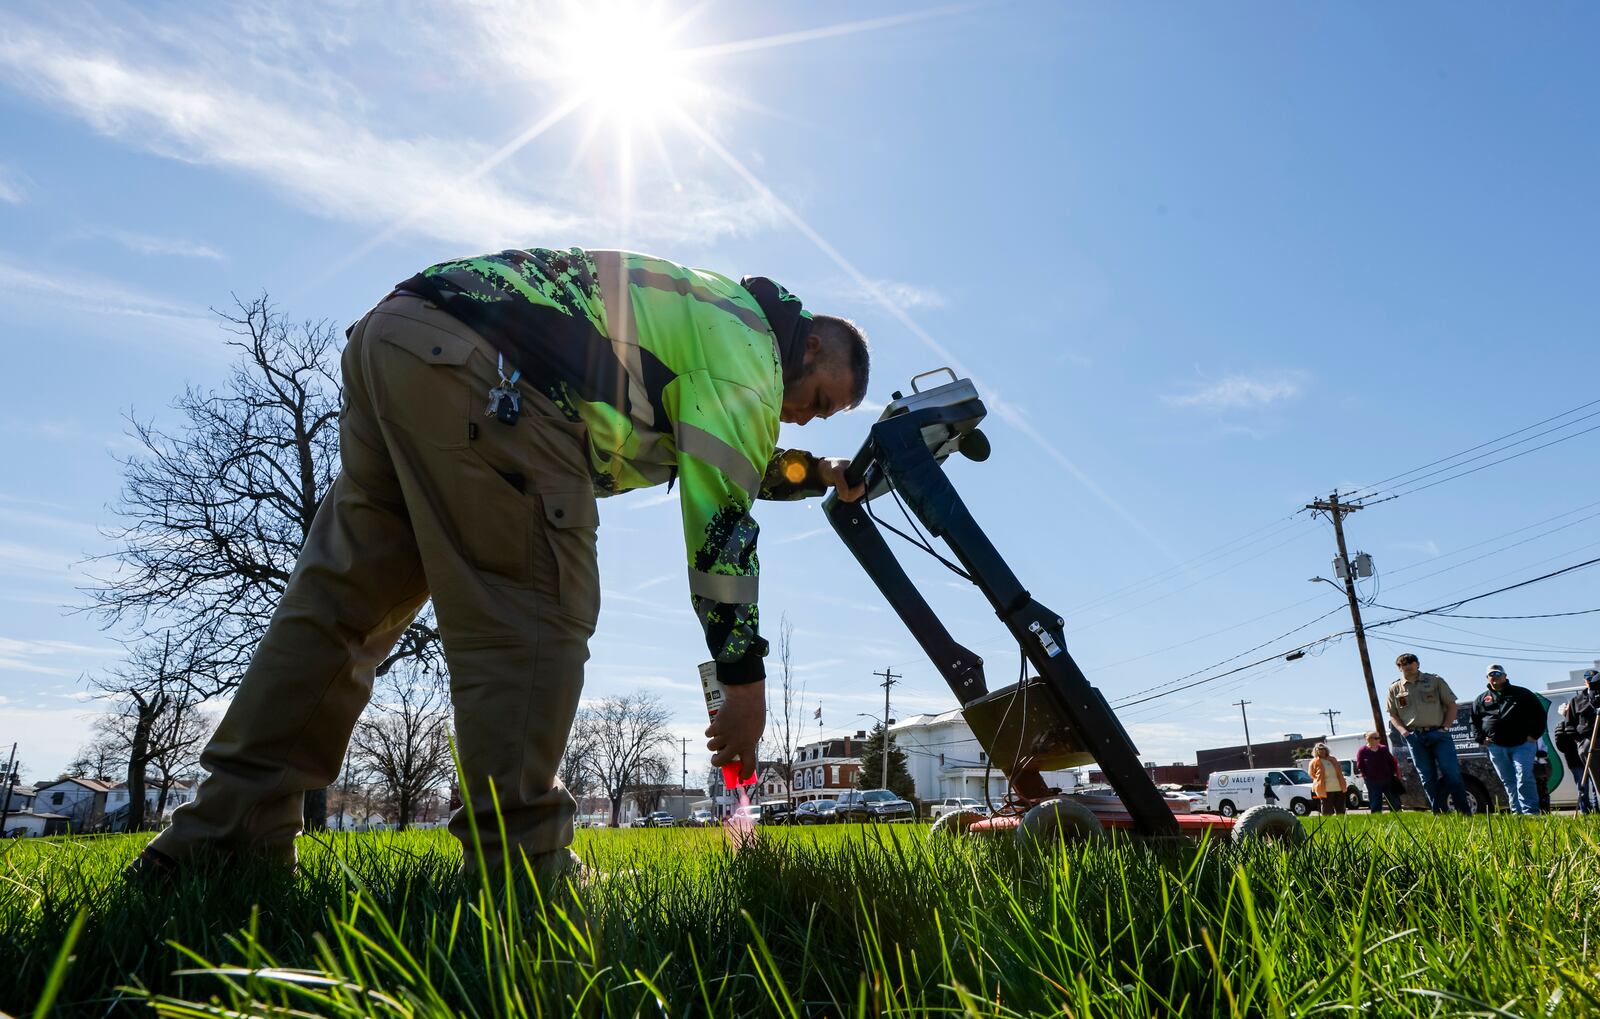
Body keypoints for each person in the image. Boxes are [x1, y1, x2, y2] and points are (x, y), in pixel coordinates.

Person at [126, 248, 870, 881]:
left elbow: (737, 458)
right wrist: (743, 683)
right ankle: (522, 872)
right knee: (538, 607)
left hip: (402, 340)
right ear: (806, 349)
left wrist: (823, 472)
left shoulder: (717, 315)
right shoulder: (752, 358)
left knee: (342, 611)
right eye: (820, 399)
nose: (802, 415)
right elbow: (721, 520)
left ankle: (224, 838)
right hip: (497, 380)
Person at [1386, 652, 1473, 814]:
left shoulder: (1434, 681)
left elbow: (1452, 705)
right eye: (1403, 664)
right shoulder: (1395, 689)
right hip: (1415, 736)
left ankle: (1464, 812)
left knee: (1452, 773)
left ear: (1417, 664)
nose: (1408, 666)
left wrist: (1445, 728)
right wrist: (1405, 733)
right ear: (1399, 668)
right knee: (1427, 777)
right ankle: (1439, 813)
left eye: (1411, 662)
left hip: (1439, 735)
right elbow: (1393, 715)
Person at [1469, 663, 1545, 814]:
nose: (1495, 677)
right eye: (1491, 674)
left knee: (1524, 776)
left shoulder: (1522, 694)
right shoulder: (1481, 699)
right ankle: (1517, 813)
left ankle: (1531, 813)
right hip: (1496, 747)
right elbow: (1474, 721)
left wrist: (1534, 735)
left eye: (1498, 674)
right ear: (1487, 678)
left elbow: (1539, 714)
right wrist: (1480, 739)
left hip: (1522, 744)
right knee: (1509, 781)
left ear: (1505, 676)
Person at [1555, 669, 1600, 814]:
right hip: (1586, 742)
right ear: (1584, 681)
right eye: (1588, 679)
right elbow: (1569, 726)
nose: (1590, 681)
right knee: (1584, 782)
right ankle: (1586, 811)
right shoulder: (1577, 700)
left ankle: (1596, 809)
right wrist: (1580, 742)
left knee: (1597, 780)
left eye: (1594, 679)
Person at [1354, 731, 1404, 813]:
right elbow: (1360, 765)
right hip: (1372, 781)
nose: (1378, 740)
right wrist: (1365, 775)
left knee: (1393, 800)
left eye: (1379, 738)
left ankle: (1398, 814)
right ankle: (1376, 816)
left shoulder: (1383, 749)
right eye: (1376, 738)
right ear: (1369, 739)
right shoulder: (1362, 751)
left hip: (1388, 779)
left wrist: (1396, 774)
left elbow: (1393, 762)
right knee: (1375, 800)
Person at [1308, 743, 1349, 815]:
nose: (1321, 750)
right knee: (1327, 811)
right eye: (1319, 749)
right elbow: (1312, 774)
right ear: (1316, 751)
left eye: (1323, 748)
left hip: (1338, 787)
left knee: (1341, 810)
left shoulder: (1333, 759)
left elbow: (1339, 771)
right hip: (1325, 789)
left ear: (1326, 750)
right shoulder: (1314, 761)